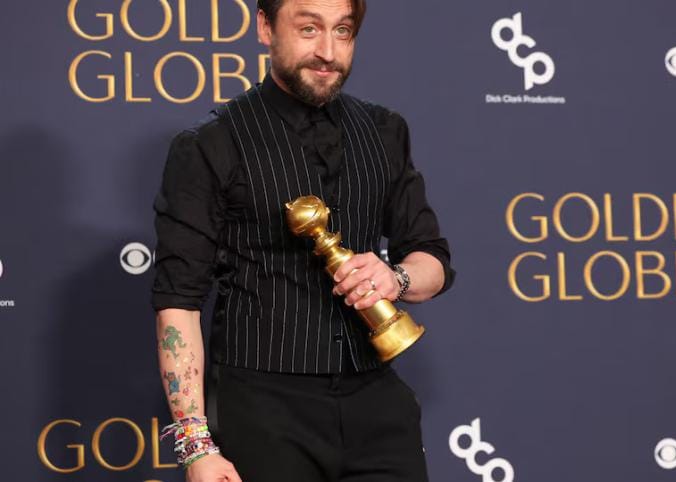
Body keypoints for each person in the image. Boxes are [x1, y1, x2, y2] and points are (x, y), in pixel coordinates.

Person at [151, 0, 455, 480]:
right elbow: (179, 301)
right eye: (309, 28)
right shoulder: (210, 146)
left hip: (376, 405)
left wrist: (394, 277)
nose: (328, 51)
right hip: (262, 410)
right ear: (266, 27)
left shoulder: (384, 131)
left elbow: (432, 259)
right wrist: (196, 447)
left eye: (343, 31)